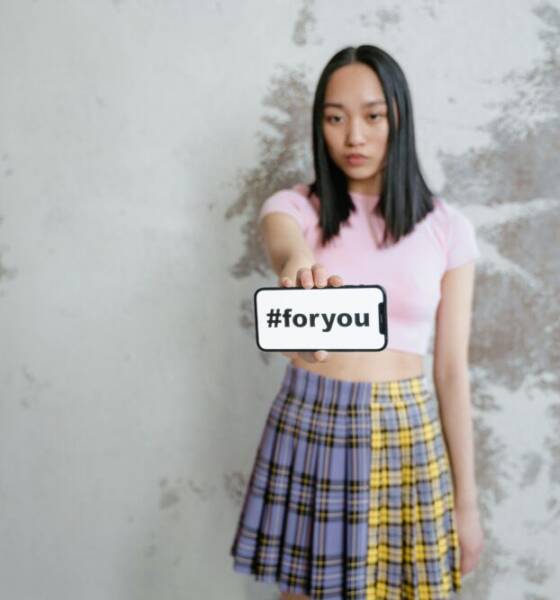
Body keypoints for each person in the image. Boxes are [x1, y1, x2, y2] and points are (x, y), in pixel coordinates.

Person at [230, 44, 485, 599]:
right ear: (319, 124)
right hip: (312, 420)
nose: (354, 137)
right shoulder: (297, 207)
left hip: (407, 431)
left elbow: (451, 374)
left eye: (373, 116)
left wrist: (467, 503)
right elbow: (283, 240)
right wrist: (298, 263)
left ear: (398, 118)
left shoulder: (448, 228)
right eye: (335, 118)